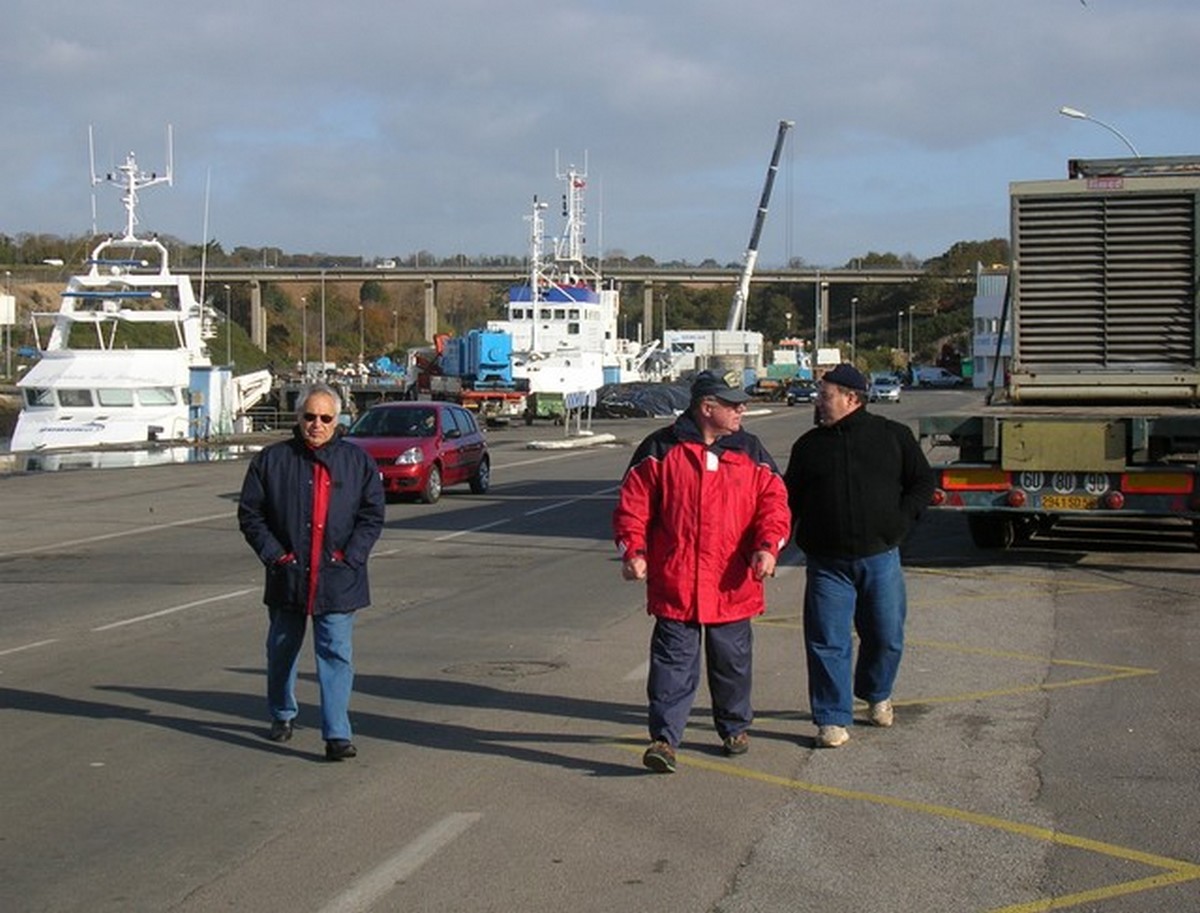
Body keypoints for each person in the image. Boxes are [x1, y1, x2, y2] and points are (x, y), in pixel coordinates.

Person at [613, 370, 791, 773]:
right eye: (733, 404)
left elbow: (774, 505)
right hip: (677, 584)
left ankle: (734, 727)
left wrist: (768, 548)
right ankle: (664, 740)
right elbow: (632, 507)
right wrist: (633, 552)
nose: (742, 409)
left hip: (733, 585)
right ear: (707, 407)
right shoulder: (660, 448)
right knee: (672, 667)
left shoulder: (751, 450)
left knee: (732, 663)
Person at [782, 364, 935, 748]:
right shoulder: (808, 447)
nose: (818, 401)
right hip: (826, 564)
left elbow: (922, 483)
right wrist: (773, 543)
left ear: (851, 398)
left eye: (825, 394)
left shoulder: (892, 437)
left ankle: (876, 692)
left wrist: (901, 523)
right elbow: (788, 502)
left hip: (880, 557)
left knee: (885, 636)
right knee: (827, 641)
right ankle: (832, 719)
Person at [238, 382, 385, 761]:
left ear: (338, 421)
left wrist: (352, 555)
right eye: (309, 417)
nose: (316, 425)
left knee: (336, 653)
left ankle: (337, 734)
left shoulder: (357, 462)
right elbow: (251, 515)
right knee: (282, 648)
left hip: (338, 578)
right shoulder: (271, 460)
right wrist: (276, 556)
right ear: (298, 418)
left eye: (325, 418)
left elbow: (371, 516)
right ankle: (281, 713)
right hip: (288, 575)